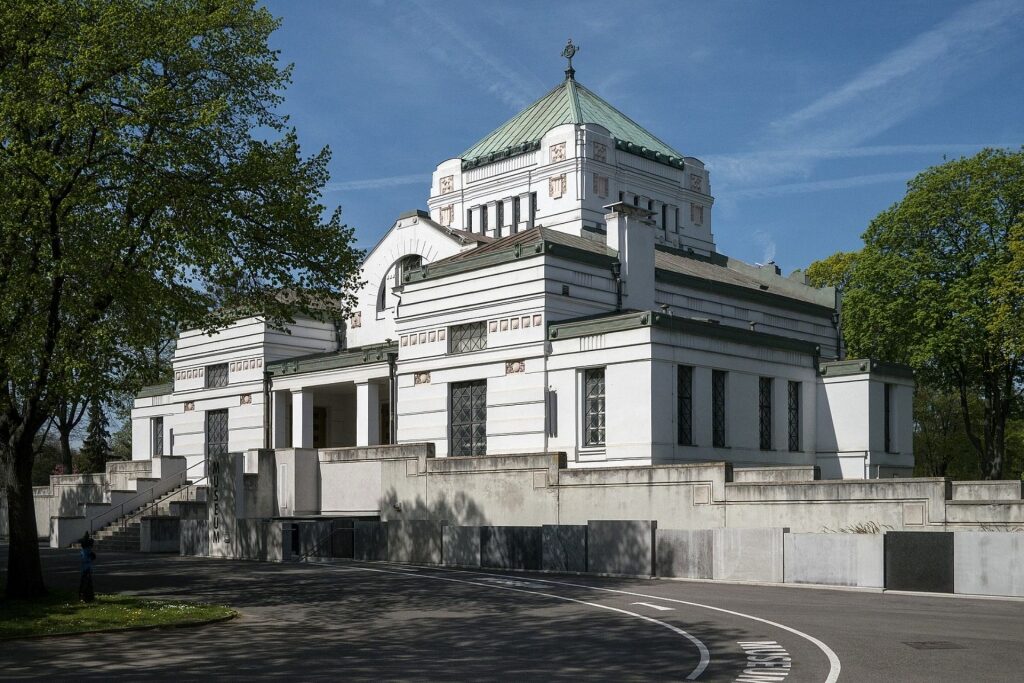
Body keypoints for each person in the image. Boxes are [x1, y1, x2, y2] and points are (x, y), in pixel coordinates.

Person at [79, 532, 96, 602]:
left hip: (87, 568)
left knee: (87, 583)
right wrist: (91, 557)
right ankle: (85, 597)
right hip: (86, 569)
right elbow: (85, 560)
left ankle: (88, 597)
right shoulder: (85, 551)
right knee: (86, 584)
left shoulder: (86, 550)